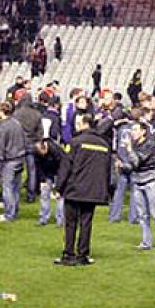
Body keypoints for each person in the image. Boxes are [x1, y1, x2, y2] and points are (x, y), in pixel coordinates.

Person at [55, 114, 111, 266]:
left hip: (75, 188)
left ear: (84, 124)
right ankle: (83, 255)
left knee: (71, 223)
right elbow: (107, 170)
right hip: (93, 190)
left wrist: (59, 187)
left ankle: (68, 254)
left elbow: (66, 167)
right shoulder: (104, 144)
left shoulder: (75, 142)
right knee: (86, 223)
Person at [127, 121, 155, 253]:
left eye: (135, 130)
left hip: (150, 181)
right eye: (132, 130)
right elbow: (131, 164)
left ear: (143, 131)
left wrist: (129, 151)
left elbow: (136, 162)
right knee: (142, 215)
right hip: (137, 181)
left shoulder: (149, 144)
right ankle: (146, 241)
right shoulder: (134, 144)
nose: (132, 132)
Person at [0, 102, 27, 222]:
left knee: (7, 188)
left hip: (10, 160)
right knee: (15, 188)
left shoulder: (3, 127)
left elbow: (1, 148)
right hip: (20, 158)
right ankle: (14, 212)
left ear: (2, 111)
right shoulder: (16, 123)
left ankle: (9, 214)